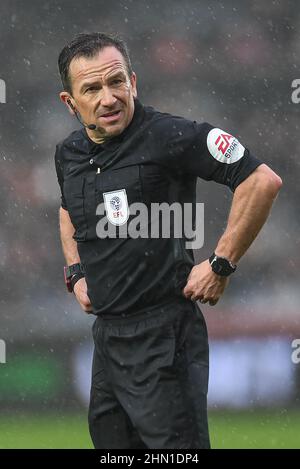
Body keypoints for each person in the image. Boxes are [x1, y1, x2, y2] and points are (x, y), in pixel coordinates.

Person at [55, 32, 282, 449]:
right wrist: (75, 271)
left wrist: (220, 263)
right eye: (92, 88)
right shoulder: (69, 154)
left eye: (116, 82)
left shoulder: (171, 135)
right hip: (107, 339)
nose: (109, 98)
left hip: (165, 335)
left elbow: (260, 180)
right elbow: (69, 208)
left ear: (133, 82)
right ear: (70, 102)